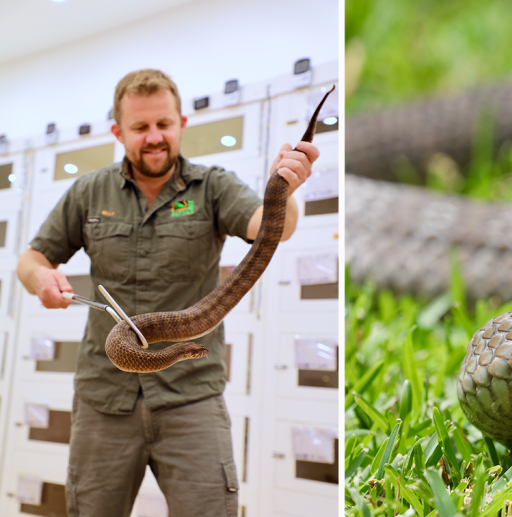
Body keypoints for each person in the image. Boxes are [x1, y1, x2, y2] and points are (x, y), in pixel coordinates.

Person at [15, 69, 318, 517]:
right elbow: (31, 259)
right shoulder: (88, 191)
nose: (154, 137)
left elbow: (274, 227)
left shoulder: (213, 186)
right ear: (119, 132)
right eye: (140, 128)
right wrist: (42, 280)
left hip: (191, 398)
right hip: (105, 397)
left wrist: (284, 190)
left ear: (181, 124)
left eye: (163, 124)